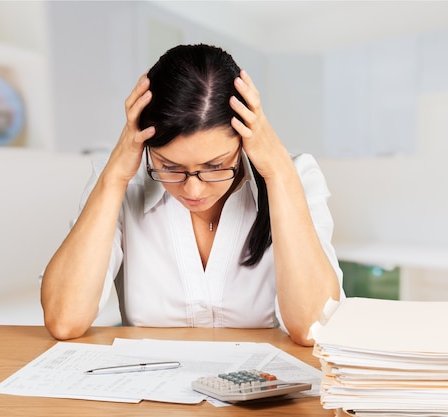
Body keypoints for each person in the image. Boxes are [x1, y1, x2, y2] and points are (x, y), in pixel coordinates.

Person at [41, 44, 342, 346]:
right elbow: (65, 320)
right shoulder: (124, 183)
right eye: (169, 167)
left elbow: (314, 327)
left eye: (215, 166)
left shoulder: (294, 176)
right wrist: (114, 176)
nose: (193, 189)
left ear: (245, 140)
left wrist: (278, 172)